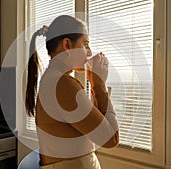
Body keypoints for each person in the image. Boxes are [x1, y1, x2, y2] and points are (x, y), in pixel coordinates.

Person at [25, 15, 119, 169]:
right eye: (85, 44)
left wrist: (97, 83)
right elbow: (111, 139)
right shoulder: (62, 84)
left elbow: (92, 126)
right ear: (67, 45)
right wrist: (99, 83)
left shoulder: (51, 80)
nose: (89, 53)